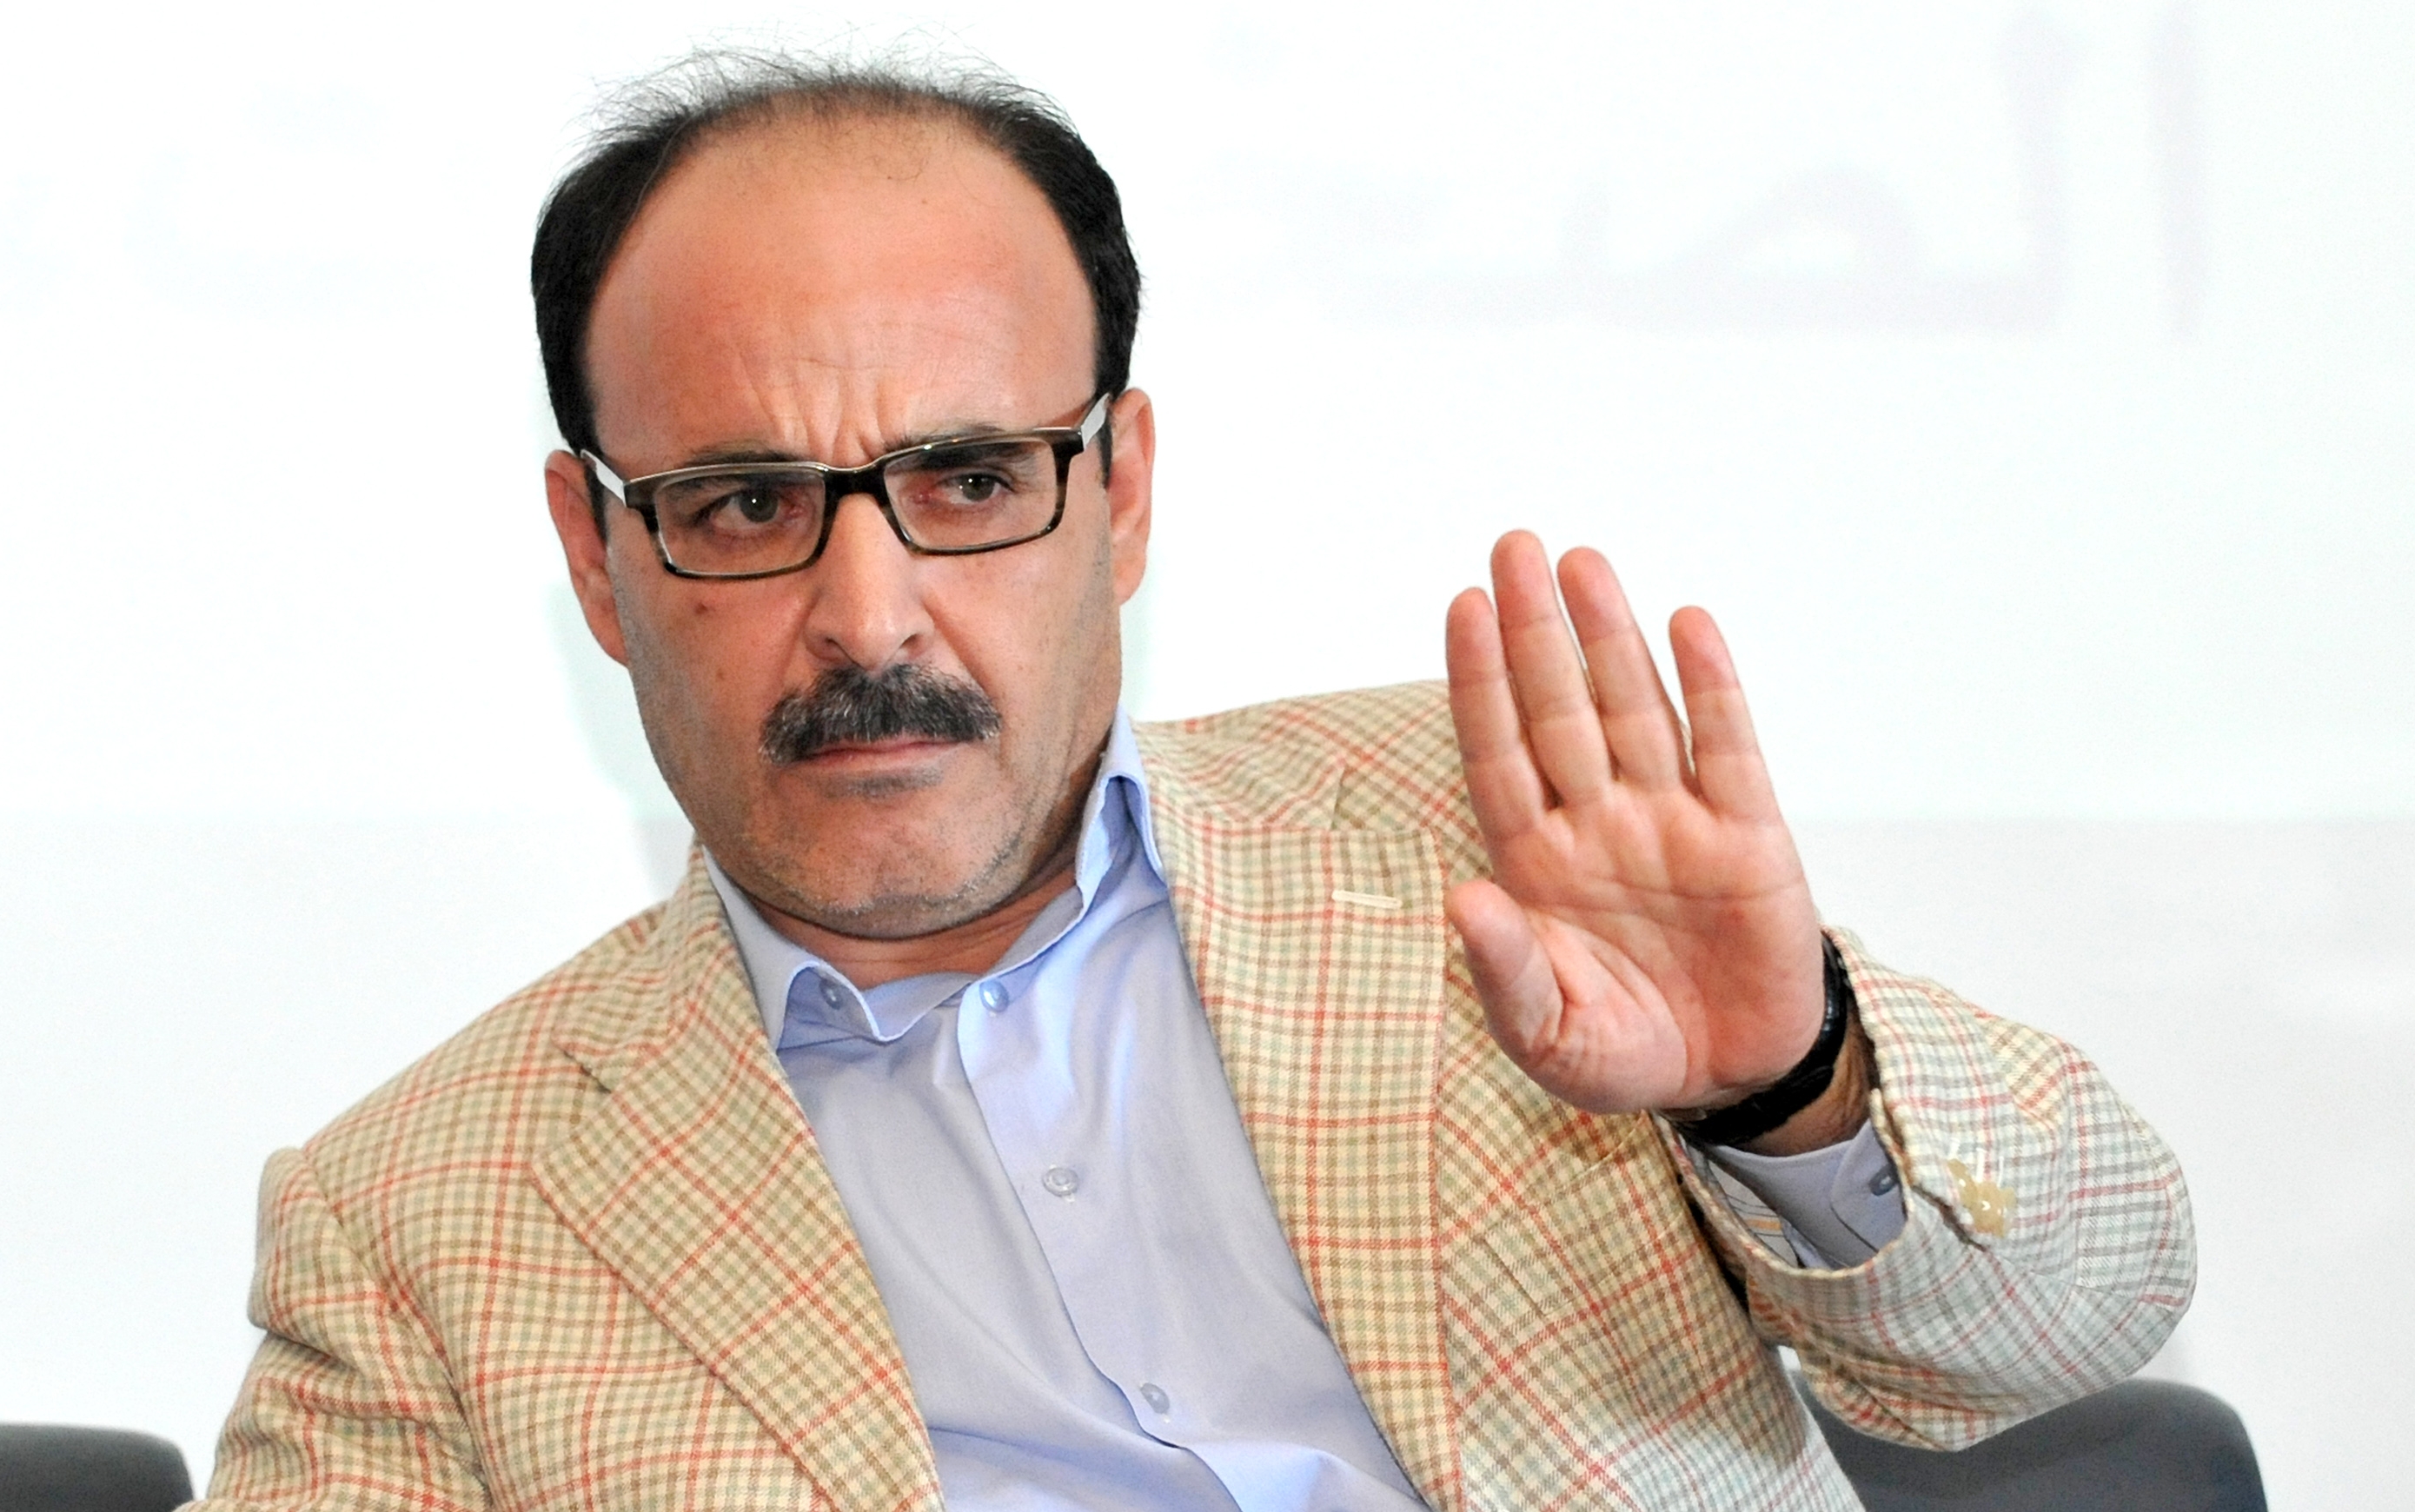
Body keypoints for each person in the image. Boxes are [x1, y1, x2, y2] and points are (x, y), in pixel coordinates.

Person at [196, 50, 2193, 1512]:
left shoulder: (1476, 840)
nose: (866, 617)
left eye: (969, 479)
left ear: (1121, 491)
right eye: (741, 506)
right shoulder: (418, 1224)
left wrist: (1783, 1091)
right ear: (595, 555)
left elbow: (2070, 1333)